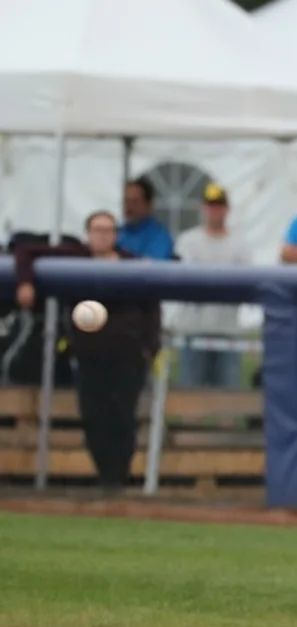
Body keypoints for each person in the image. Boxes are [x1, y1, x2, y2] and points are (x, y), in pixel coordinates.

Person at [11, 211, 162, 494]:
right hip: (90, 357)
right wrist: (25, 282)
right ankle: (106, 477)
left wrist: (150, 348)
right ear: (88, 233)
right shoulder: (75, 257)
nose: (102, 235)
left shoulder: (131, 263)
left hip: (127, 358)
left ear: (116, 234)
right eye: (96, 230)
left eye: (108, 230)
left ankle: (118, 478)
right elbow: (24, 251)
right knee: (93, 417)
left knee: (123, 418)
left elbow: (151, 307)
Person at [172, 183, 251, 388]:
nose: (215, 211)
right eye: (211, 205)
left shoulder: (239, 243)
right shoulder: (188, 240)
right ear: (203, 208)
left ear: (227, 209)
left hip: (228, 329)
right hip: (193, 328)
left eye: (219, 206)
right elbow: (183, 280)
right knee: (190, 397)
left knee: (228, 400)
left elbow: (246, 283)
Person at [118, 178, 175, 261]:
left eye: (135, 201)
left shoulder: (159, 236)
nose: (129, 206)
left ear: (149, 204)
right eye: (126, 201)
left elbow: (154, 267)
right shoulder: (118, 232)